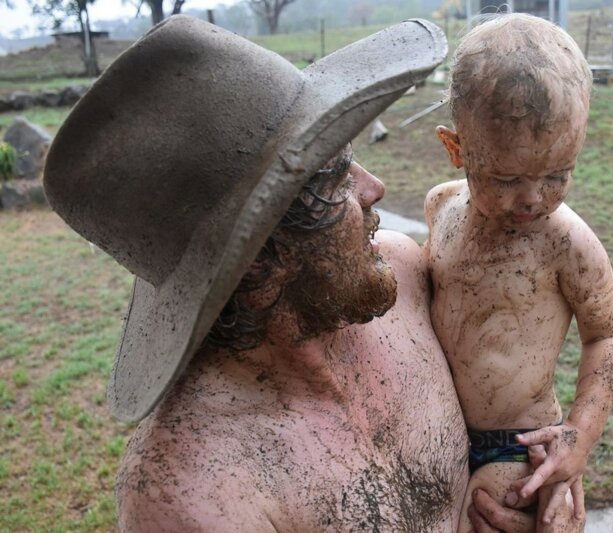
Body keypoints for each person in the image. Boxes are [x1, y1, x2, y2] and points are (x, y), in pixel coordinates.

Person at [44, 16, 538, 531]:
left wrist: (549, 494)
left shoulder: (410, 276)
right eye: (335, 177)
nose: (376, 188)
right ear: (259, 259)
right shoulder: (191, 493)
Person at [425, 14, 613, 532]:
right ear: (456, 149)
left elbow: (605, 335)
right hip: (434, 431)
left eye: (558, 174)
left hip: (518, 443)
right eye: (507, 177)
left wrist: (577, 438)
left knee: (481, 521)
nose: (533, 198)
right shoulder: (441, 209)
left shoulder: (567, 241)